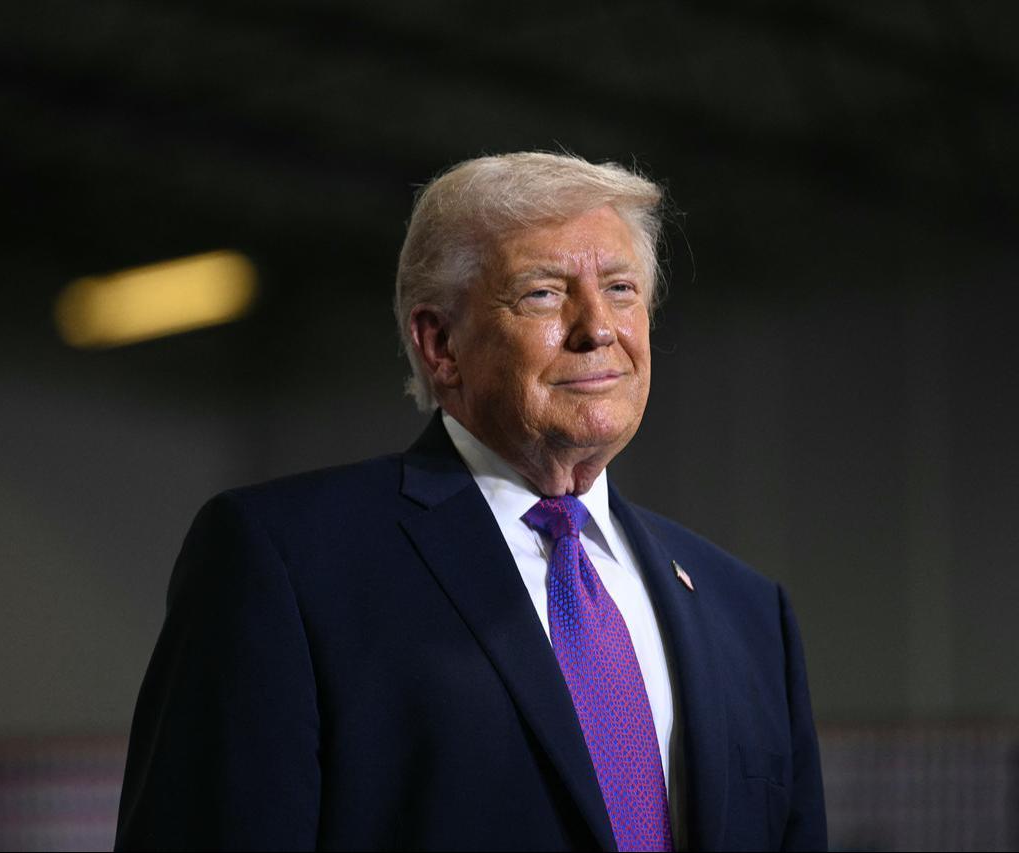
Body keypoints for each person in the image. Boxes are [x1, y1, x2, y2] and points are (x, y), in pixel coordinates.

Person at [115, 152, 827, 852]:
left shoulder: (749, 613)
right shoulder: (286, 563)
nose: (597, 328)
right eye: (544, 292)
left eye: (620, 288)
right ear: (440, 344)